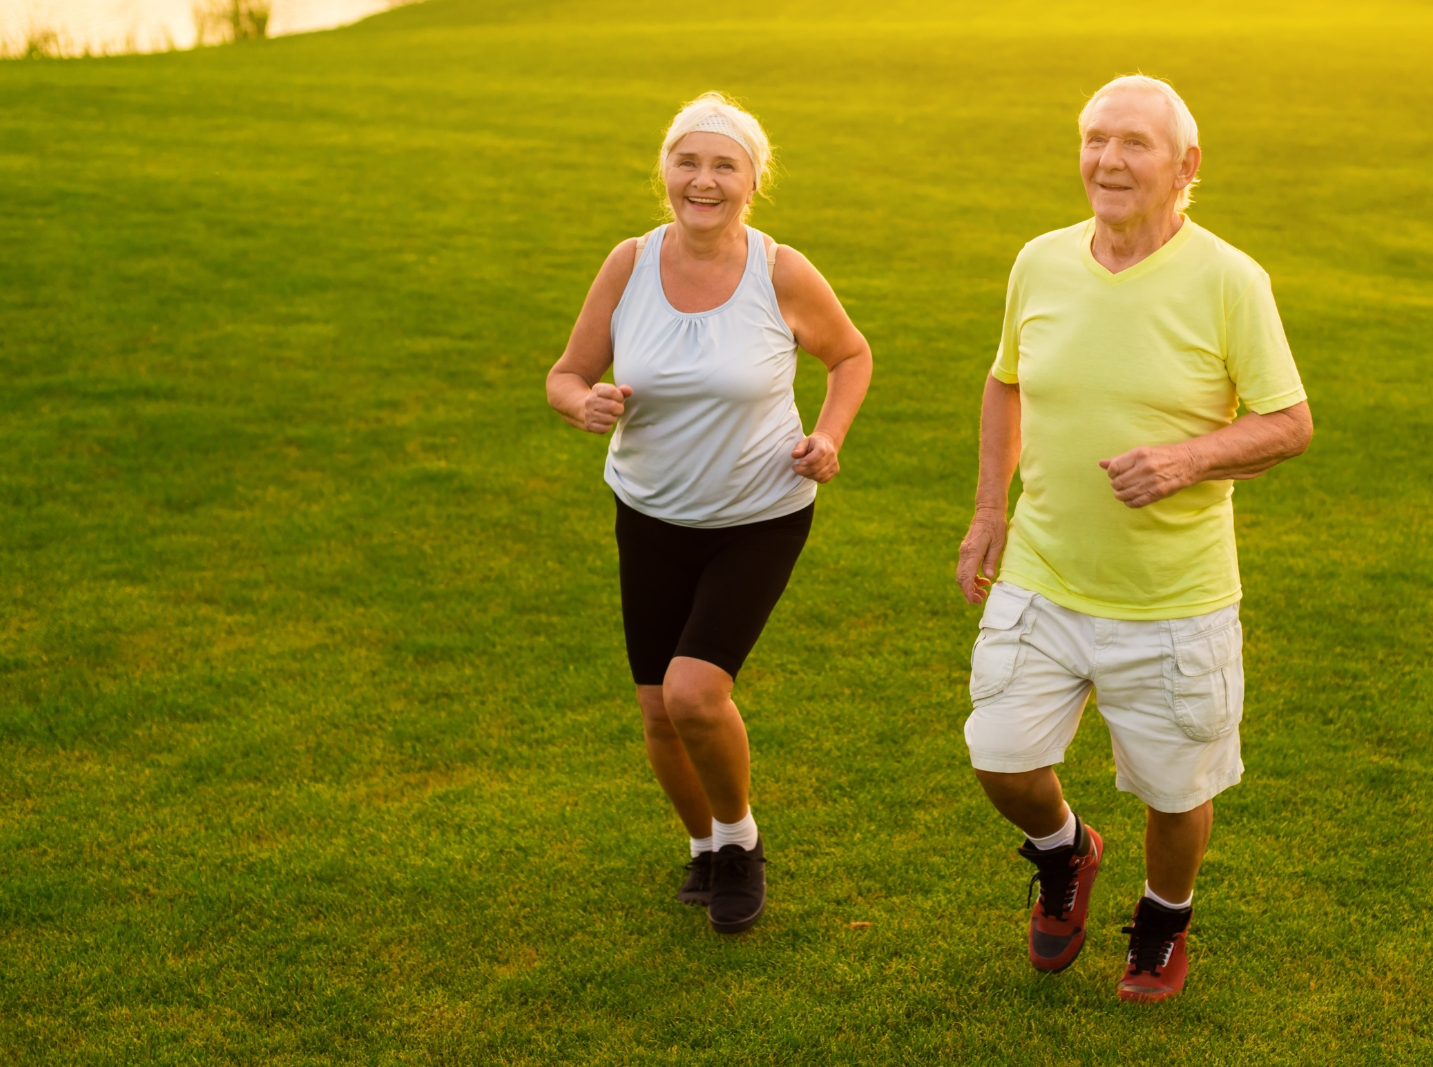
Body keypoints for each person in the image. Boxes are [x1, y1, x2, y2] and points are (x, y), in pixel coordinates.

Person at [954, 74, 1313, 1002]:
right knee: (999, 755)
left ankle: (1161, 920)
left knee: (1173, 792)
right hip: (1043, 568)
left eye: (1135, 144)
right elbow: (1006, 382)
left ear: (1186, 165)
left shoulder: (1230, 279)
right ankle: (1066, 851)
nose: (1109, 160)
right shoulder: (1039, 260)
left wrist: (1189, 460)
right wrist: (991, 510)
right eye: (1095, 139)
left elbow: (1289, 421)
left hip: (1172, 597)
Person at [549, 92, 872, 935]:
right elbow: (565, 372)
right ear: (665, 173)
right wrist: (582, 402)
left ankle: (739, 841)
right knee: (657, 708)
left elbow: (850, 355)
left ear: (753, 180)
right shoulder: (628, 264)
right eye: (687, 162)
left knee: (695, 691)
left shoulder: (780, 272)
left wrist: (828, 436)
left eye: (723, 164)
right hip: (651, 512)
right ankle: (702, 847)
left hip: (757, 514)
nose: (703, 179)